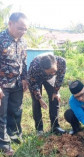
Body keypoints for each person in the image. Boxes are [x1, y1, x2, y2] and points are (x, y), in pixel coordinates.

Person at [0, 12, 28, 156]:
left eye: (25, 29)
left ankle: (15, 134)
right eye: (20, 28)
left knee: (16, 111)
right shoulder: (1, 39)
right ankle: (4, 144)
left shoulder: (23, 42)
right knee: (2, 114)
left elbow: (24, 62)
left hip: (17, 84)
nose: (23, 32)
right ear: (10, 23)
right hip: (2, 85)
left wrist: (24, 78)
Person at [28, 54, 66, 135]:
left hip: (50, 80)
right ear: (43, 69)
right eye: (50, 72)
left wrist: (56, 92)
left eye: (54, 71)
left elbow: (60, 78)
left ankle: (55, 127)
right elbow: (33, 83)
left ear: (56, 63)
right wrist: (40, 99)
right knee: (36, 102)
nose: (52, 73)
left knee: (55, 98)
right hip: (37, 78)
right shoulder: (34, 67)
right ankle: (39, 129)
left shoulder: (61, 62)